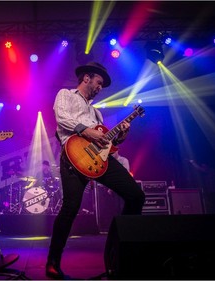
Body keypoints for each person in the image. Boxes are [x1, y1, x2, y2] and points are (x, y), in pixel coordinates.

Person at [46, 61, 145, 279]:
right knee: (70, 208)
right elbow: (61, 117)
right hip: (73, 156)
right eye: (99, 83)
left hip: (99, 160)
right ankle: (53, 261)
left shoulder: (97, 113)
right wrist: (87, 131)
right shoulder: (66, 94)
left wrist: (122, 134)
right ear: (87, 78)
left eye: (103, 85)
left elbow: (107, 143)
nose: (100, 88)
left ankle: (120, 252)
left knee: (136, 195)